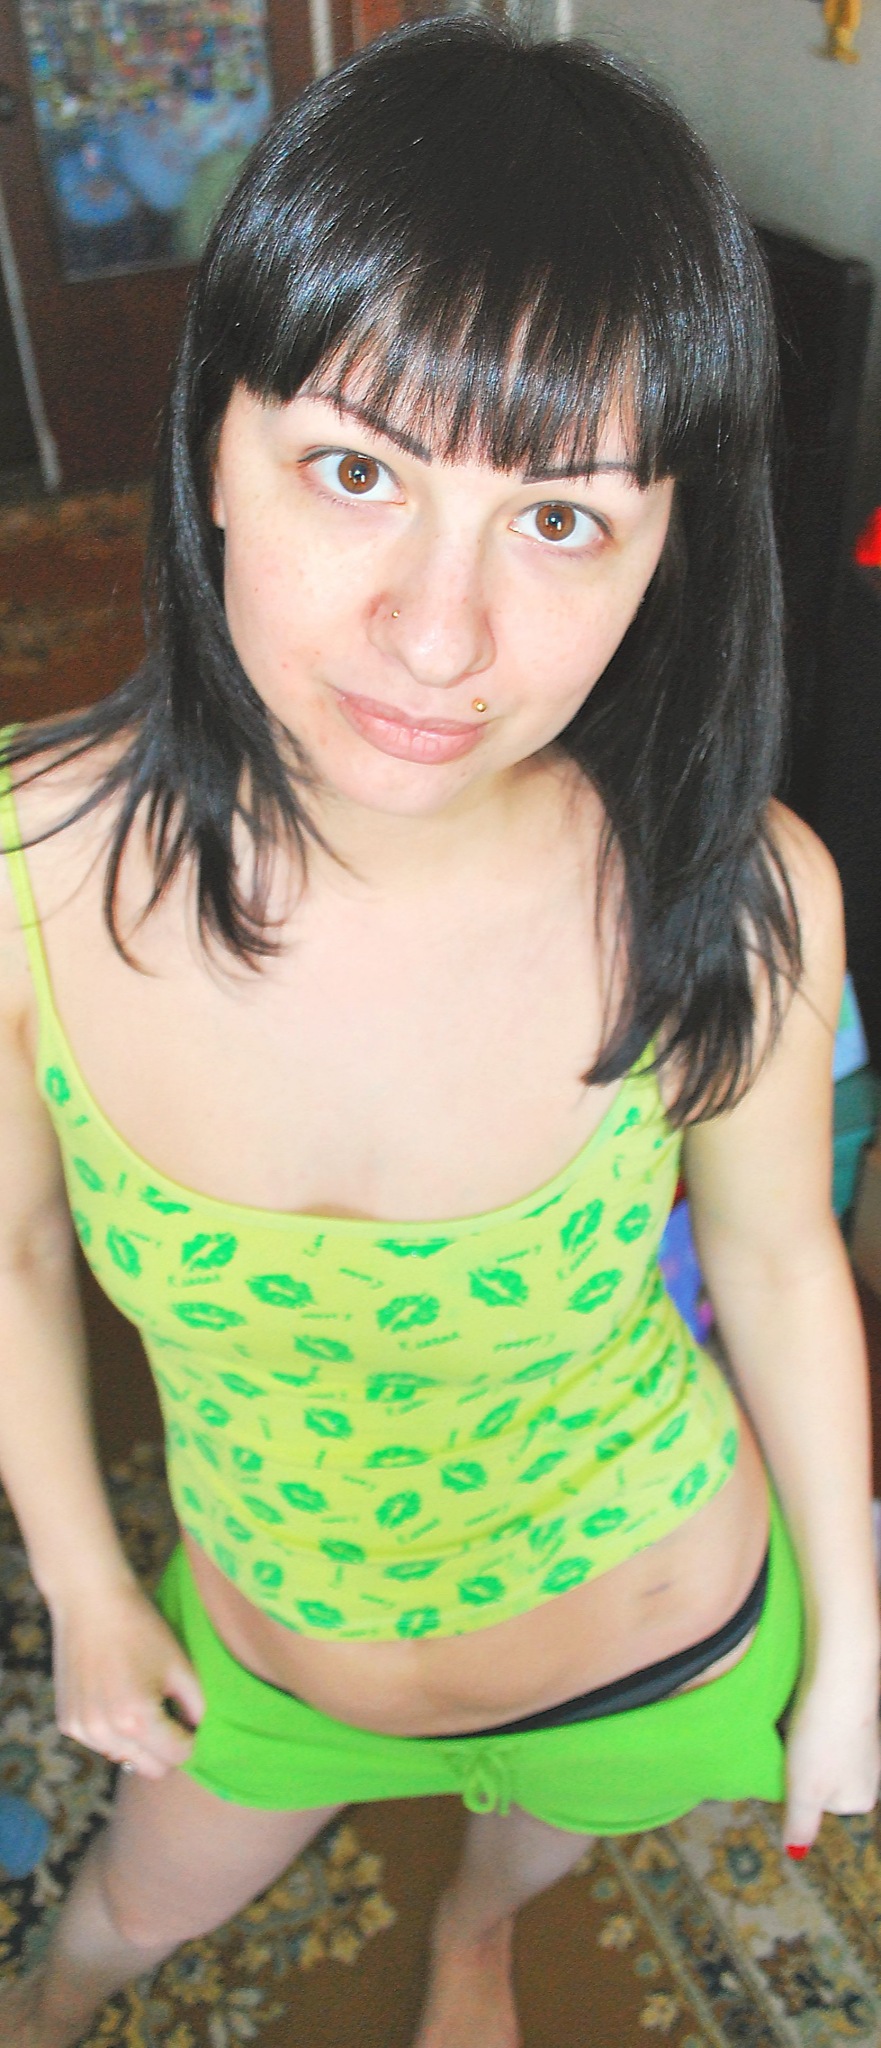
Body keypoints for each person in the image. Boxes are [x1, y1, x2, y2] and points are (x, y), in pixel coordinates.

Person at [0, 17, 877, 2047]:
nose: (437, 631)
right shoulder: (28, 869)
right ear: (211, 447)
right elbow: (15, 1246)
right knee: (113, 1926)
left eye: (560, 519)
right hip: (268, 1660)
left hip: (654, 1638)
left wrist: (848, 1643)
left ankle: (472, 1936)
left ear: (664, 549)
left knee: (528, 1853)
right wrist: (88, 1585)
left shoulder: (738, 894)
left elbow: (775, 1263)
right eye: (354, 471)